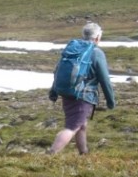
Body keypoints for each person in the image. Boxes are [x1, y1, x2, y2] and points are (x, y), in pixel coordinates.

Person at [48, 21, 117, 155]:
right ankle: (51, 154)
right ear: (97, 37)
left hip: (67, 92)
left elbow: (58, 70)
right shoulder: (96, 52)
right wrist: (111, 101)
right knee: (72, 127)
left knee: (81, 125)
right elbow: (105, 79)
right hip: (83, 96)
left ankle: (83, 153)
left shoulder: (72, 49)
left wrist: (54, 91)